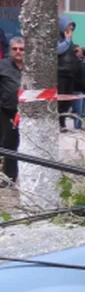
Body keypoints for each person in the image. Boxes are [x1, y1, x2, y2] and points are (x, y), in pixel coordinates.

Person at [56, 16, 85, 131]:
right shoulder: (61, 39)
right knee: (60, 100)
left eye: (72, 27)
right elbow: (58, 50)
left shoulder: (69, 41)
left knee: (67, 101)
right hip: (61, 74)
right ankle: (60, 123)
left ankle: (63, 121)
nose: (71, 28)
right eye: (69, 25)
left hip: (70, 75)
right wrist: (67, 40)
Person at [0, 36, 24, 185]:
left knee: (24, 145)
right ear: (10, 50)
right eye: (15, 49)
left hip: (29, 114)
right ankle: (9, 177)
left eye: (21, 49)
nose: (18, 52)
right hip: (6, 112)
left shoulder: (33, 67)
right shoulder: (2, 66)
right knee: (8, 144)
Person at [71, 45, 85, 129]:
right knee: (78, 112)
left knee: (82, 113)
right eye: (80, 50)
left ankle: (79, 127)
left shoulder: (81, 63)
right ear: (75, 52)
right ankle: (76, 128)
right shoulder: (73, 63)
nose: (82, 52)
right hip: (77, 91)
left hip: (84, 91)